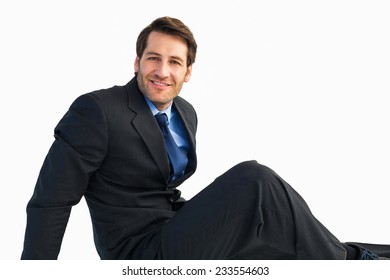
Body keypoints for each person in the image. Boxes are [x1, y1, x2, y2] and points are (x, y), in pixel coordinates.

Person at [21, 16, 389, 260]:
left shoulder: (186, 113)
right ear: (137, 62)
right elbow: (50, 201)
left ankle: (353, 255)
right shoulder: (98, 110)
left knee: (269, 236)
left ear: (188, 72)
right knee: (254, 180)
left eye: (174, 62)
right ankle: (353, 262)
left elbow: (162, 189)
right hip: (138, 252)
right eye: (153, 58)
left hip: (174, 230)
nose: (161, 71)